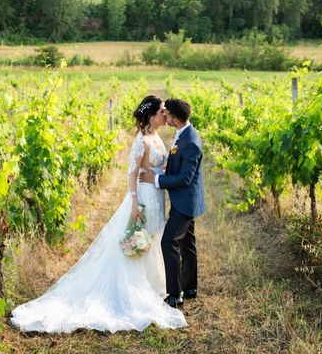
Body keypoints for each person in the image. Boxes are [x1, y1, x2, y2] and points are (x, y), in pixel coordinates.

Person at [10, 95, 187, 333]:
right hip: (143, 197)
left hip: (156, 194)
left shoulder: (156, 137)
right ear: (151, 115)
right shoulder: (141, 140)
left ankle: (154, 283)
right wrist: (134, 205)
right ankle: (136, 286)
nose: (165, 115)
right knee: (138, 238)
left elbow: (155, 165)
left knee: (153, 237)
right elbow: (131, 174)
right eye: (162, 112)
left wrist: (161, 170)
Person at [139, 98, 205, 308]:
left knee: (169, 242)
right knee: (187, 242)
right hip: (186, 200)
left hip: (185, 201)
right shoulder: (184, 133)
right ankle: (190, 287)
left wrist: (156, 179)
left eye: (166, 113)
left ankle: (175, 294)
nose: (164, 115)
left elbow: (185, 179)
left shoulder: (191, 142)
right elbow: (181, 162)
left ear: (175, 119)